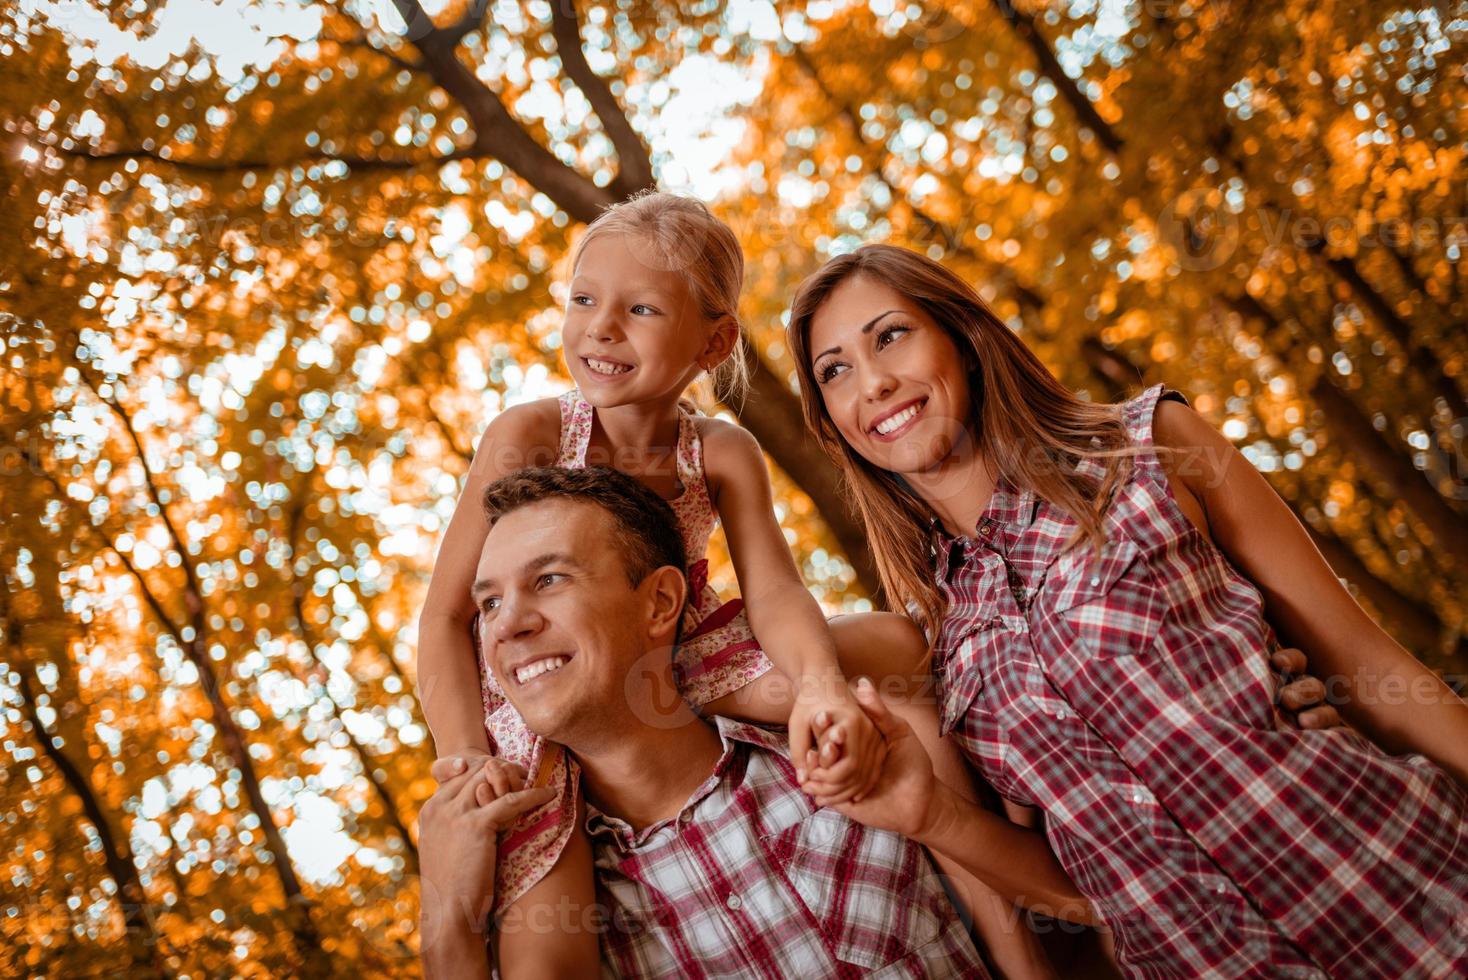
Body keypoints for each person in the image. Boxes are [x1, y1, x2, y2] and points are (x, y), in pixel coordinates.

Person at [786, 243, 1468, 978]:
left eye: (891, 335)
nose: (875, 382)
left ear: (965, 339)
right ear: (830, 420)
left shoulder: (1146, 446)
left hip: (1419, 898)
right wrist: (929, 814)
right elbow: (1090, 895)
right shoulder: (940, 642)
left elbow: (1367, 665)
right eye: (835, 370)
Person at [416, 193, 1055, 974]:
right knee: (542, 904)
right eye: (584, 299)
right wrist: (463, 756)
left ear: (714, 342)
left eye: (641, 309)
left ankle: (1020, 937)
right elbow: (450, 618)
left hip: (696, 657)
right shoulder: (530, 435)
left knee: (888, 664)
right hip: (553, 696)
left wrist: (818, 685)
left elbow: (777, 590)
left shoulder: (719, 449)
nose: (600, 328)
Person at [419, 466, 1094, 978]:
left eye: (550, 581)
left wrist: (937, 815)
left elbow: (1103, 906)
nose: (507, 626)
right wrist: (449, 924)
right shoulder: (556, 914)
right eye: (488, 604)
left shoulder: (856, 741)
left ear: (659, 602)